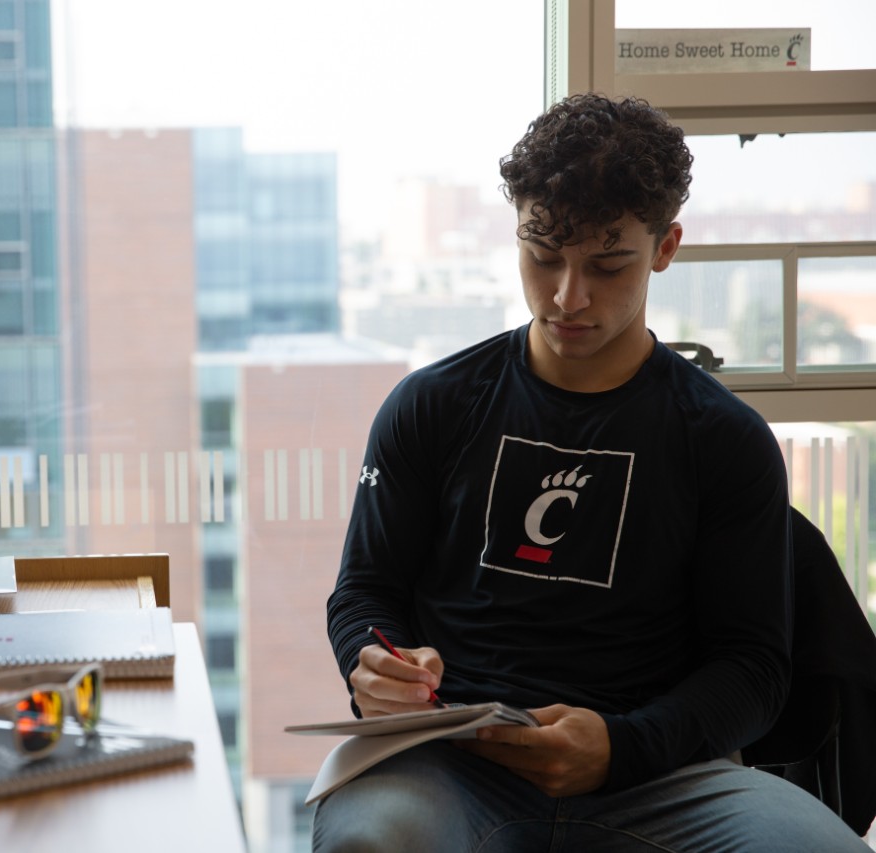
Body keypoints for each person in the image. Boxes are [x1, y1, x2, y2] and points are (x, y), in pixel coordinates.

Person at [315, 92, 869, 851]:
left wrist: (622, 744)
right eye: (542, 258)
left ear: (666, 246)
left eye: (608, 265)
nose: (567, 297)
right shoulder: (432, 405)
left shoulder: (724, 439)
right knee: (370, 841)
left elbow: (754, 669)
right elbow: (364, 591)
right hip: (449, 763)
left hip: (664, 774)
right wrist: (374, 660)